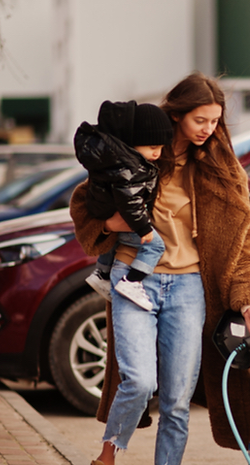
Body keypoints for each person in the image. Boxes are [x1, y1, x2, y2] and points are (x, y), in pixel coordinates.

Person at [66, 73, 250, 465]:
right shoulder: (138, 149)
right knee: (138, 380)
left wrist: (249, 303)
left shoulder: (221, 170)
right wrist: (109, 224)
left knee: (178, 401)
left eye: (215, 122)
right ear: (176, 114)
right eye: (200, 119)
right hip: (131, 278)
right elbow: (85, 202)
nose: (208, 129)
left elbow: (244, 245)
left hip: (188, 290)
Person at [75, 100, 173, 311]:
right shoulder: (132, 167)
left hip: (108, 212)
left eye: (162, 148)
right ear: (133, 143)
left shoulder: (116, 161)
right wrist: (143, 227)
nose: (158, 154)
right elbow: (129, 200)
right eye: (153, 147)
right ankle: (132, 281)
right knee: (156, 246)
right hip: (128, 221)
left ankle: (101, 273)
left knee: (114, 242)